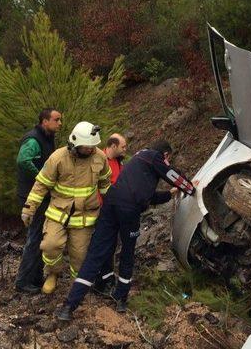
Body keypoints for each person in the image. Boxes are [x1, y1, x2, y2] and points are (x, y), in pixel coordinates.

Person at [55, 139, 195, 320]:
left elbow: (147, 196)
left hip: (111, 203)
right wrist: (191, 188)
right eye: (167, 158)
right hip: (129, 211)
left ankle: (69, 306)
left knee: (95, 253)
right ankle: (121, 298)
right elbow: (174, 176)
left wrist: (169, 194)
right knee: (128, 252)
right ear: (166, 155)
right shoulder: (154, 156)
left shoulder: (139, 161)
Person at [21, 121, 111, 295]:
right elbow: (41, 185)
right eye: (86, 147)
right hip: (58, 213)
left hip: (85, 216)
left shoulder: (100, 157)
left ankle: (76, 288)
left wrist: (112, 205)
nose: (91, 150)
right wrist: (28, 209)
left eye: (93, 147)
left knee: (80, 258)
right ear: (75, 144)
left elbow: (105, 183)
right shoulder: (58, 158)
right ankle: (53, 274)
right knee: (50, 246)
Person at [14, 108, 62, 294]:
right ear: (45, 121)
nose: (60, 123)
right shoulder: (34, 139)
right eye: (56, 120)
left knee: (41, 236)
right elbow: (23, 160)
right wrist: (43, 177)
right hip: (31, 196)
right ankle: (23, 281)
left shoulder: (47, 137)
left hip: (40, 195)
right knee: (34, 238)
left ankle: (35, 277)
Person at [94, 133, 128, 293]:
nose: (125, 149)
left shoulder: (118, 162)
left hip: (114, 210)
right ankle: (100, 281)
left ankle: (107, 278)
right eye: (123, 146)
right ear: (113, 146)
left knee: (112, 245)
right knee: (103, 246)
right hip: (101, 210)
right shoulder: (100, 160)